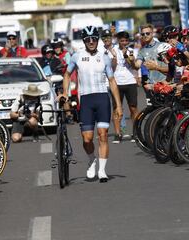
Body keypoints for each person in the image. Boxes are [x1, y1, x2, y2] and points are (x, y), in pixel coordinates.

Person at [59, 26, 123, 183]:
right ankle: (92, 160)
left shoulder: (104, 57)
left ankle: (102, 170)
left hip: (102, 99)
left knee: (102, 136)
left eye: (94, 39)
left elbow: (112, 81)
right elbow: (67, 75)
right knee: (87, 139)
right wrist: (65, 94)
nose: (91, 42)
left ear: (98, 39)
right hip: (86, 100)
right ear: (84, 41)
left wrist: (119, 105)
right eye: (88, 39)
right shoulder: (77, 56)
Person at [111, 31, 139, 144]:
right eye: (122, 41)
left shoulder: (131, 51)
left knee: (133, 108)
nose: (124, 43)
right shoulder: (114, 51)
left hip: (130, 81)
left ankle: (136, 133)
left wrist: (130, 58)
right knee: (117, 108)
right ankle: (118, 134)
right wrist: (114, 58)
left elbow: (134, 67)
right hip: (117, 82)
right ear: (118, 41)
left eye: (126, 41)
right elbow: (112, 67)